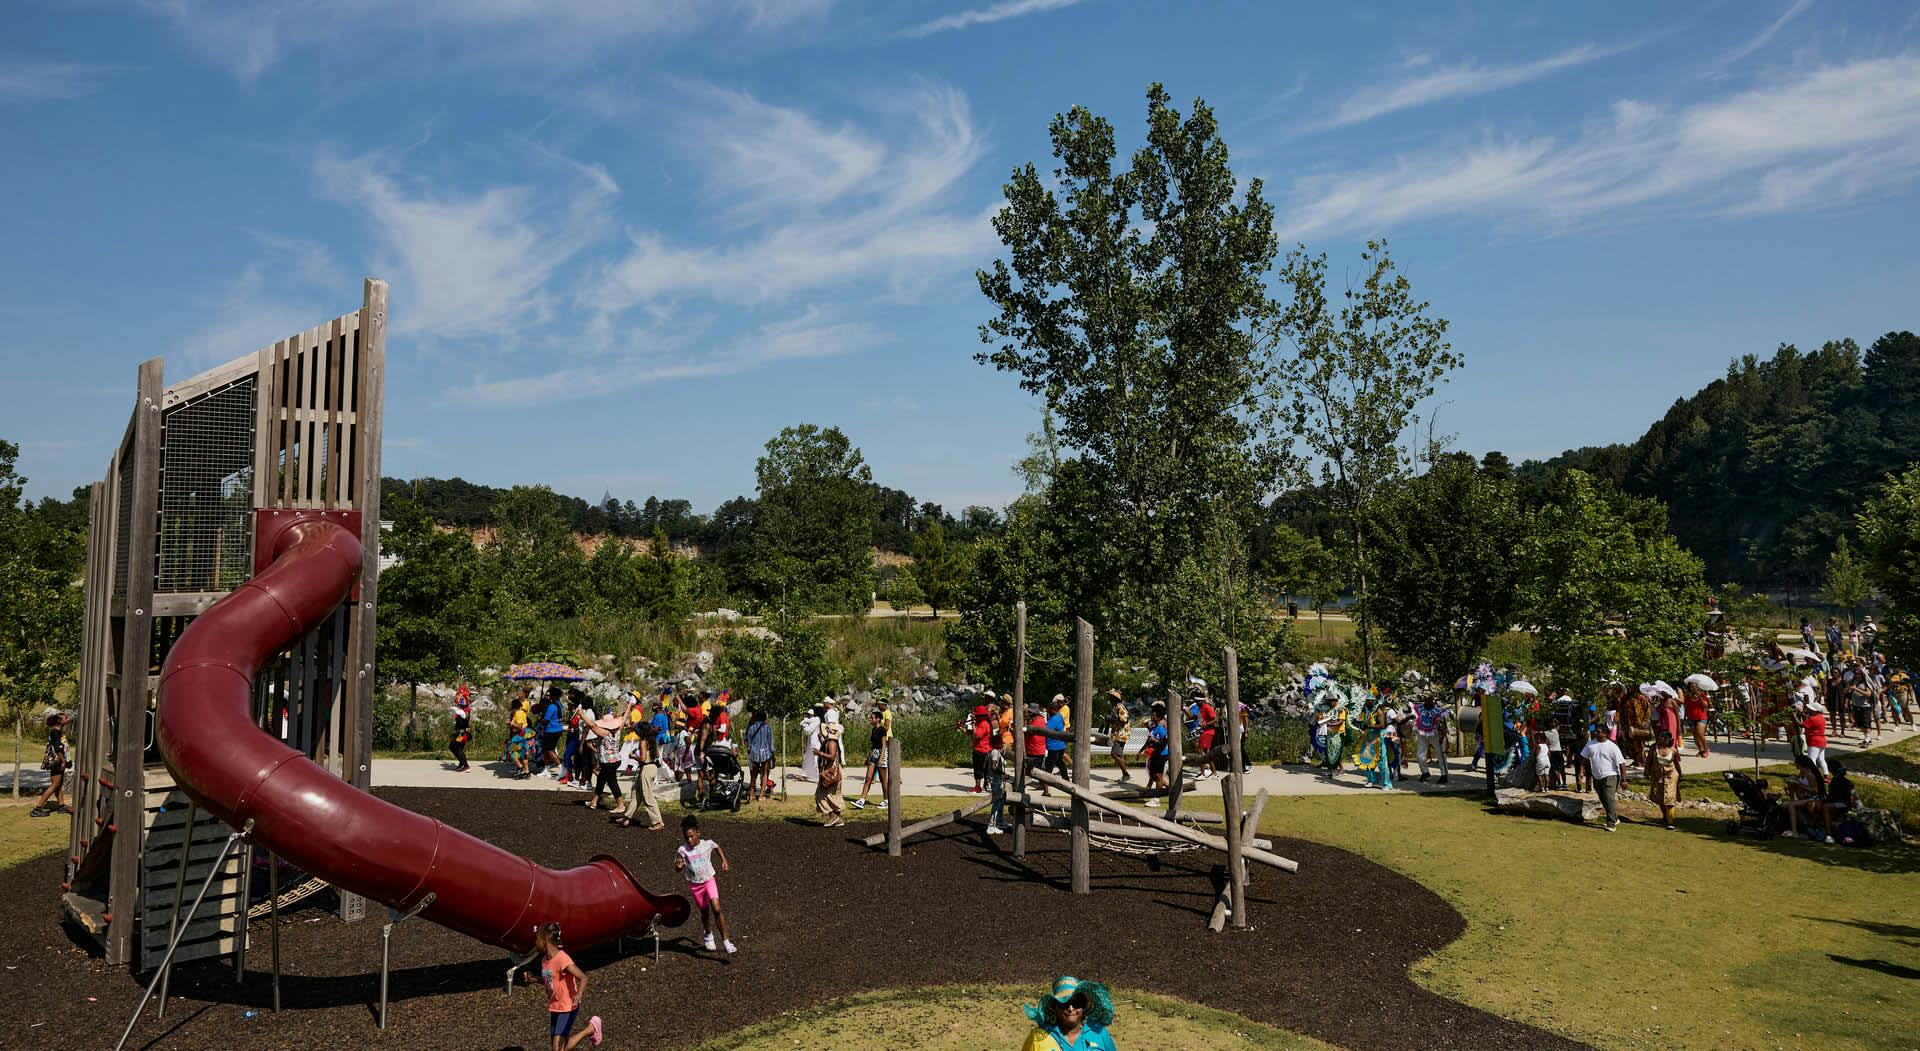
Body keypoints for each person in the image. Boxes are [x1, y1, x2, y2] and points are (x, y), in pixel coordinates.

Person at [521, 921, 600, 1051]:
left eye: (537, 939)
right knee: (559, 1047)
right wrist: (534, 979)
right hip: (555, 1007)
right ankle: (591, 1029)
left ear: (545, 939)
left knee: (557, 1047)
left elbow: (583, 977)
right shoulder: (544, 960)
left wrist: (579, 994)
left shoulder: (562, 958)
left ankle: (591, 1029)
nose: (535, 943)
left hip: (568, 1006)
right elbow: (551, 981)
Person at [675, 815, 735, 954]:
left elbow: (717, 847)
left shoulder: (707, 844)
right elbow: (677, 868)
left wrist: (724, 860)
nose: (689, 840)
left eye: (691, 836)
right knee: (705, 912)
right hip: (695, 885)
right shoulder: (682, 850)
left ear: (698, 833)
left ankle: (726, 941)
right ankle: (708, 934)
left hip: (709, 880)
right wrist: (678, 867)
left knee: (717, 908)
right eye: (686, 837)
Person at [1020, 976, 1117, 1051]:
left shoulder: (1099, 1033)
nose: (1071, 1008)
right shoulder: (1038, 1037)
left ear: (1084, 1006)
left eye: (1077, 1003)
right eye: (1064, 1003)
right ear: (1055, 1007)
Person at [613, 706, 666, 832]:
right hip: (652, 767)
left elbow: (642, 758)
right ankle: (627, 817)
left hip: (646, 769)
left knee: (647, 796)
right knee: (637, 794)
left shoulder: (643, 741)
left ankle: (657, 821)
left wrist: (633, 756)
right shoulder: (652, 739)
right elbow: (657, 755)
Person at [1579, 725, 1627, 831]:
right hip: (1597, 776)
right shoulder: (1590, 744)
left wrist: (1624, 780)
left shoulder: (1612, 746)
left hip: (1611, 775)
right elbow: (1583, 757)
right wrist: (1581, 771)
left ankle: (1611, 824)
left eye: (1598, 731)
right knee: (1603, 799)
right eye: (1595, 731)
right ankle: (1614, 818)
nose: (1595, 733)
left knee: (1609, 799)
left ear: (1605, 734)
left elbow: (1622, 764)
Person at [32, 713, 72, 818]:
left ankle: (61, 806)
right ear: (60, 721)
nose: (69, 719)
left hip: (60, 761)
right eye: (66, 718)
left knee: (58, 785)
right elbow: (58, 748)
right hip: (57, 762)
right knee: (54, 785)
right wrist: (63, 761)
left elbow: (63, 748)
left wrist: (67, 761)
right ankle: (37, 809)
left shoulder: (59, 731)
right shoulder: (55, 732)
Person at [1645, 729, 1683, 829]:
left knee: (1670, 797)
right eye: (1657, 738)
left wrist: (1680, 774)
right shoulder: (1654, 748)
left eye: (1660, 738)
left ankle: (1670, 821)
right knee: (1660, 797)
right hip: (1657, 775)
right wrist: (1646, 771)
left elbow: (1677, 763)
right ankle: (1665, 817)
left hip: (1671, 775)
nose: (1658, 739)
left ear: (1666, 739)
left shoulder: (1673, 750)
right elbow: (1648, 760)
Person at [853, 709, 891, 810]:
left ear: (878, 719)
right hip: (873, 753)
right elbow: (873, 745)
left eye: (872, 718)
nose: (870, 719)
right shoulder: (874, 729)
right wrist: (868, 757)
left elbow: (883, 745)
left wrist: (881, 758)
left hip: (881, 753)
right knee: (868, 778)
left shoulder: (882, 730)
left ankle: (886, 800)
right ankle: (862, 800)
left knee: (883, 780)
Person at [814, 721, 845, 827]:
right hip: (831, 770)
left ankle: (834, 817)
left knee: (824, 794)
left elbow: (831, 756)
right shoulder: (829, 742)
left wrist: (820, 753)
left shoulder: (831, 742)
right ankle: (837, 819)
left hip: (831, 771)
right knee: (832, 794)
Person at [1413, 696, 1449, 784]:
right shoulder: (1419, 708)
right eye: (1426, 700)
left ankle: (1444, 774)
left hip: (1435, 734)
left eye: (1430, 700)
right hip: (1422, 733)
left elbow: (1443, 724)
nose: (1428, 702)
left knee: (1440, 754)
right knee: (1419, 755)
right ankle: (1425, 772)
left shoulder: (1438, 711)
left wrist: (1443, 735)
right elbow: (1414, 717)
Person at [744, 708, 774, 801]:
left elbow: (748, 742)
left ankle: (751, 795)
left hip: (754, 753)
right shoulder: (767, 727)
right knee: (765, 773)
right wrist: (772, 754)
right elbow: (770, 743)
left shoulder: (751, 727)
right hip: (765, 753)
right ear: (765, 718)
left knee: (754, 775)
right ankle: (761, 796)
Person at [1141, 705, 1170, 797]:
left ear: (1158, 718)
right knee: (1153, 776)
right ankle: (1171, 789)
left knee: (1158, 776)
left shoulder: (1161, 729)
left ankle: (1156, 798)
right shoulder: (1154, 728)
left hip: (1162, 754)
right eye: (1151, 715)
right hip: (1155, 754)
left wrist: (1154, 740)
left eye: (1154, 715)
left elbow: (1164, 742)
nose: (1152, 717)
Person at [1103, 690, 1132, 782]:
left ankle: (1126, 774)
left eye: (1110, 697)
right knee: (1119, 755)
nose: (1109, 699)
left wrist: (1112, 719)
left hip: (1121, 734)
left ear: (1115, 698)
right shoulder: (1115, 707)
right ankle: (1125, 774)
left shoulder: (1120, 707)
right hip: (1118, 734)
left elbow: (1124, 719)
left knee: (1114, 753)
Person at [985, 734, 1009, 835]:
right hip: (996, 780)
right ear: (997, 743)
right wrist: (1004, 774)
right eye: (1001, 742)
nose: (1002, 743)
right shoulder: (995, 752)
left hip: (996, 780)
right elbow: (994, 767)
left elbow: (985, 766)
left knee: (1001, 801)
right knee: (996, 803)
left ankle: (999, 821)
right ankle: (991, 826)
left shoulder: (992, 752)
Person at [1043, 695, 1071, 780]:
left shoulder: (1054, 719)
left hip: (1053, 747)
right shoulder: (1059, 716)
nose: (1047, 711)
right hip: (1060, 745)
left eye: (1048, 710)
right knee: (1060, 763)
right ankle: (1066, 779)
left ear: (1052, 710)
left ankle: (1045, 783)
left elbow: (1045, 729)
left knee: (1049, 766)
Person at [968, 703, 994, 793]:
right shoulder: (982, 723)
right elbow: (972, 734)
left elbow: (976, 736)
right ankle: (983, 785)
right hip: (982, 749)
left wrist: (973, 725)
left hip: (981, 750)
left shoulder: (983, 724)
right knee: (983, 770)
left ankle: (978, 786)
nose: (975, 717)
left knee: (978, 769)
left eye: (976, 715)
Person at [447, 685, 473, 773]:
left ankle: (466, 766)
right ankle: (462, 763)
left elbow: (466, 719)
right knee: (456, 748)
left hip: (463, 732)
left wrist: (461, 714)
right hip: (461, 731)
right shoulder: (461, 709)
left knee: (455, 747)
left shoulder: (466, 709)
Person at [1682, 684, 1712, 758]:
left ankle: (1706, 749)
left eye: (1695, 687)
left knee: (1700, 733)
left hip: (1701, 717)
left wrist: (1700, 698)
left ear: (1698, 688)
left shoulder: (1702, 695)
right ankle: (1700, 750)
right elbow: (1685, 705)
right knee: (1695, 736)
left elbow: (1706, 706)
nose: (1693, 688)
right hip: (1691, 718)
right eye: (1692, 686)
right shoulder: (1687, 696)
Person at [1319, 700, 1348, 777]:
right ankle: (1338, 770)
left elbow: (1341, 721)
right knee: (1330, 753)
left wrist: (1331, 724)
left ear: (1336, 701)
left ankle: (1335, 771)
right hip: (1329, 733)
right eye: (1329, 700)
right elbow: (1321, 719)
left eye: (1332, 700)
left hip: (1339, 733)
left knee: (1336, 753)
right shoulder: (1326, 709)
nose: (1330, 702)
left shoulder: (1341, 709)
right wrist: (1325, 722)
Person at [1027, 706, 1051, 795]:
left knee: (1039, 772)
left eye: (1030, 712)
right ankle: (1046, 791)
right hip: (1036, 749)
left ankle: (1046, 791)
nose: (1028, 714)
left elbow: (1029, 732)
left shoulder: (1037, 721)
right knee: (1035, 771)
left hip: (1035, 750)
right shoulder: (1039, 719)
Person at [1803, 699, 1830, 778]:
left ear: (1815, 711)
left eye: (1810, 710)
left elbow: (1800, 724)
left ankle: (1813, 775)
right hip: (1821, 741)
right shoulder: (1820, 717)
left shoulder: (1813, 719)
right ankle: (1826, 775)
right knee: (1821, 760)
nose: (1808, 710)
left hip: (1814, 741)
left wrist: (1793, 716)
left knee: (1811, 759)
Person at [800, 703, 823, 782]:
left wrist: (804, 725)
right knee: (808, 758)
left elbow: (808, 731)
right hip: (811, 741)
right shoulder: (814, 719)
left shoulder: (817, 719)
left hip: (815, 742)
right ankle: (805, 774)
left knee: (815, 759)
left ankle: (818, 776)